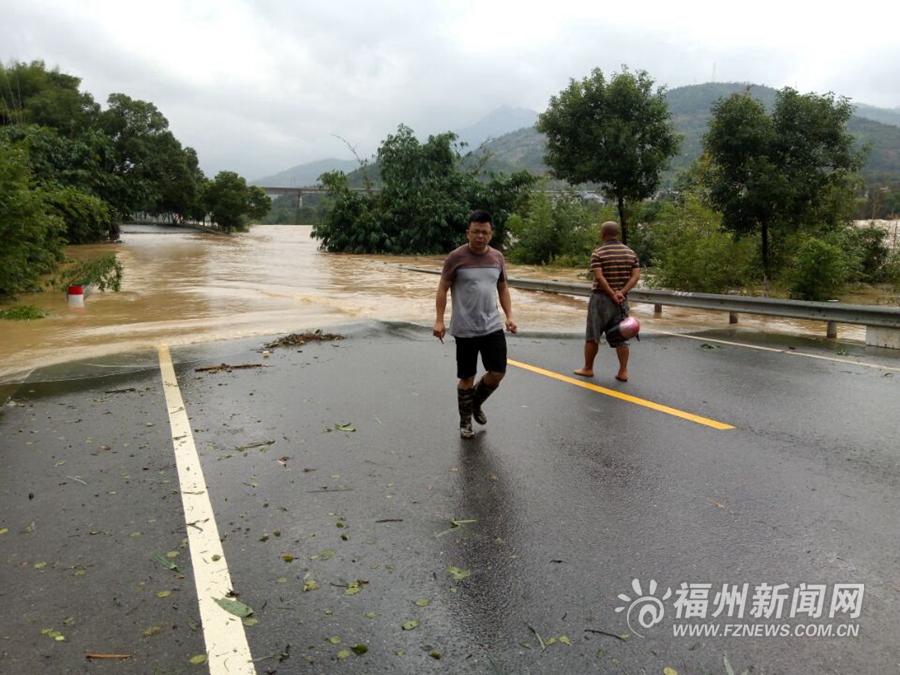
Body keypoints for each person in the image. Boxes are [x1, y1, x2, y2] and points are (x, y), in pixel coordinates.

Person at [434, 210, 517, 439]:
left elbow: (502, 287)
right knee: (467, 377)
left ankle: (475, 403)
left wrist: (509, 316)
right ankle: (465, 422)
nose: (480, 236)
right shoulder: (455, 257)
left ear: (491, 234)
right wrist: (439, 320)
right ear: (467, 232)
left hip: (492, 325)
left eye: (485, 232)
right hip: (465, 328)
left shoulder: (497, 258)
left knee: (498, 372)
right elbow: (442, 288)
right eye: (476, 232)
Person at [574, 221, 641, 382]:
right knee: (621, 335)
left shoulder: (598, 253)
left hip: (600, 299)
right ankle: (623, 372)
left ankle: (588, 368)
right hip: (621, 301)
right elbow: (635, 277)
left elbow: (599, 276)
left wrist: (611, 293)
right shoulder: (631, 253)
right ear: (617, 233)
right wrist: (621, 293)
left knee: (593, 335)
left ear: (602, 233)